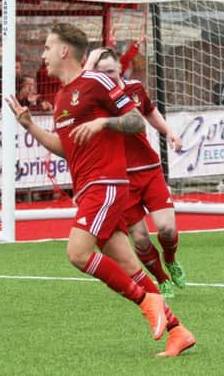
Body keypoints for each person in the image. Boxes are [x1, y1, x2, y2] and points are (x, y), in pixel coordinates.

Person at [7, 23, 195, 357]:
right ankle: (178, 331)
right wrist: (30, 125)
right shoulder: (62, 96)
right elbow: (67, 147)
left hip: (105, 184)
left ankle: (147, 303)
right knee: (131, 268)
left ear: (65, 50)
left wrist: (103, 123)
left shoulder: (97, 81)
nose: (43, 55)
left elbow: (136, 120)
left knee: (77, 254)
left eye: (48, 47)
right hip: (89, 188)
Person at [84, 47, 186, 299]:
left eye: (111, 71)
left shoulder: (135, 90)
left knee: (167, 229)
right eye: (102, 73)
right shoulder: (93, 98)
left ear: (120, 68)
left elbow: (150, 111)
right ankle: (161, 279)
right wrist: (88, 67)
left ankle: (171, 259)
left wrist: (169, 132)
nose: (109, 76)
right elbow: (78, 86)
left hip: (149, 170)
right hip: (121, 178)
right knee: (140, 238)